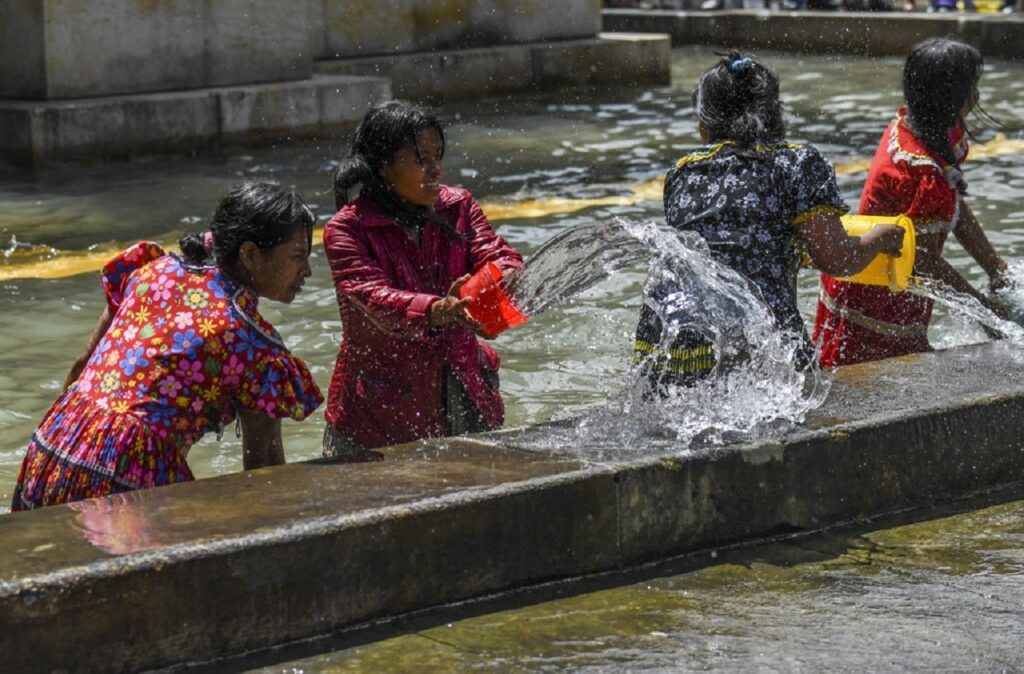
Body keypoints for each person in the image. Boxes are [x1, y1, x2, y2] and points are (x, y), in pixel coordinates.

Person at [11, 183, 323, 511]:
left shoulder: (153, 271)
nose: (307, 270)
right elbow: (265, 473)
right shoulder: (253, 343)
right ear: (249, 254)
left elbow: (81, 368)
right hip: (125, 465)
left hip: (56, 441)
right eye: (298, 256)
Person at [634, 52, 905, 388]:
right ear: (776, 114)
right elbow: (837, 258)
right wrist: (884, 237)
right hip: (763, 343)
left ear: (705, 126)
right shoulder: (798, 164)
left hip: (677, 336)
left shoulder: (681, 172)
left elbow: (730, 246)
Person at [323, 100, 523, 455]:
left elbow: (494, 253)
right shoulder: (346, 230)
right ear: (384, 167)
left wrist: (508, 277)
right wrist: (437, 309)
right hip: (379, 414)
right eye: (420, 160)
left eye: (436, 156)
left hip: (465, 389)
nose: (435, 170)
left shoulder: (458, 206)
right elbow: (372, 298)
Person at [813, 38, 1009, 368]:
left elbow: (955, 206)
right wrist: (984, 309)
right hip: (875, 293)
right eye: (971, 87)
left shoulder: (920, 129)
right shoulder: (917, 168)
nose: (976, 96)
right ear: (950, 97)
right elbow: (922, 259)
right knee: (872, 380)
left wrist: (996, 269)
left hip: (899, 284)